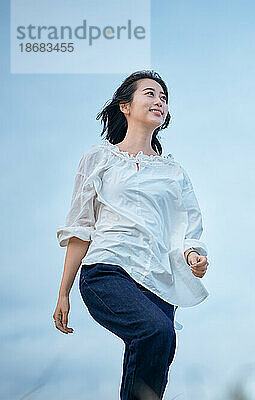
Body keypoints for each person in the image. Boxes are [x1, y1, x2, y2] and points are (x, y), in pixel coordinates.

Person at [52, 70, 210, 400]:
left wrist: (193, 255)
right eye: (150, 94)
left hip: (157, 280)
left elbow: (188, 227)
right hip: (107, 270)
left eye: (164, 99)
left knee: (162, 343)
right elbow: (81, 227)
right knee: (154, 330)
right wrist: (64, 292)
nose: (159, 101)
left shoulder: (174, 172)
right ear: (125, 106)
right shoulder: (98, 159)